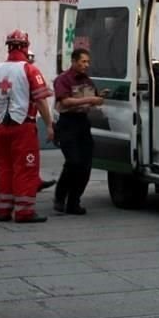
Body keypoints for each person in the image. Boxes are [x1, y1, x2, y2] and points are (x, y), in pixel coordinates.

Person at [0, 30, 54, 223]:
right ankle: (24, 211)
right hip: (22, 126)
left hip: (0, 126)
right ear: (25, 47)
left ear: (8, 46)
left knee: (4, 168)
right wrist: (49, 124)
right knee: (25, 168)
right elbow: (41, 101)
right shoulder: (30, 69)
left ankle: (3, 210)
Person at [53, 48, 105, 215]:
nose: (86, 65)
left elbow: (93, 97)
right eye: (83, 61)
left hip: (83, 123)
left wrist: (99, 97)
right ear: (74, 61)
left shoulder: (87, 81)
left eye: (87, 62)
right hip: (68, 124)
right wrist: (90, 99)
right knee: (73, 162)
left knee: (85, 165)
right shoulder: (63, 79)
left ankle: (74, 201)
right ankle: (60, 196)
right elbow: (65, 101)